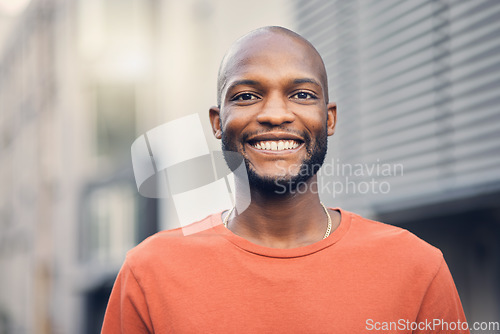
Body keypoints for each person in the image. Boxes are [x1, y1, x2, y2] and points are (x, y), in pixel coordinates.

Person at [101, 26, 469, 333]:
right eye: (247, 95)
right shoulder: (150, 272)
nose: (275, 114)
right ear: (217, 122)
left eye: (301, 94)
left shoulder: (416, 268)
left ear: (329, 118)